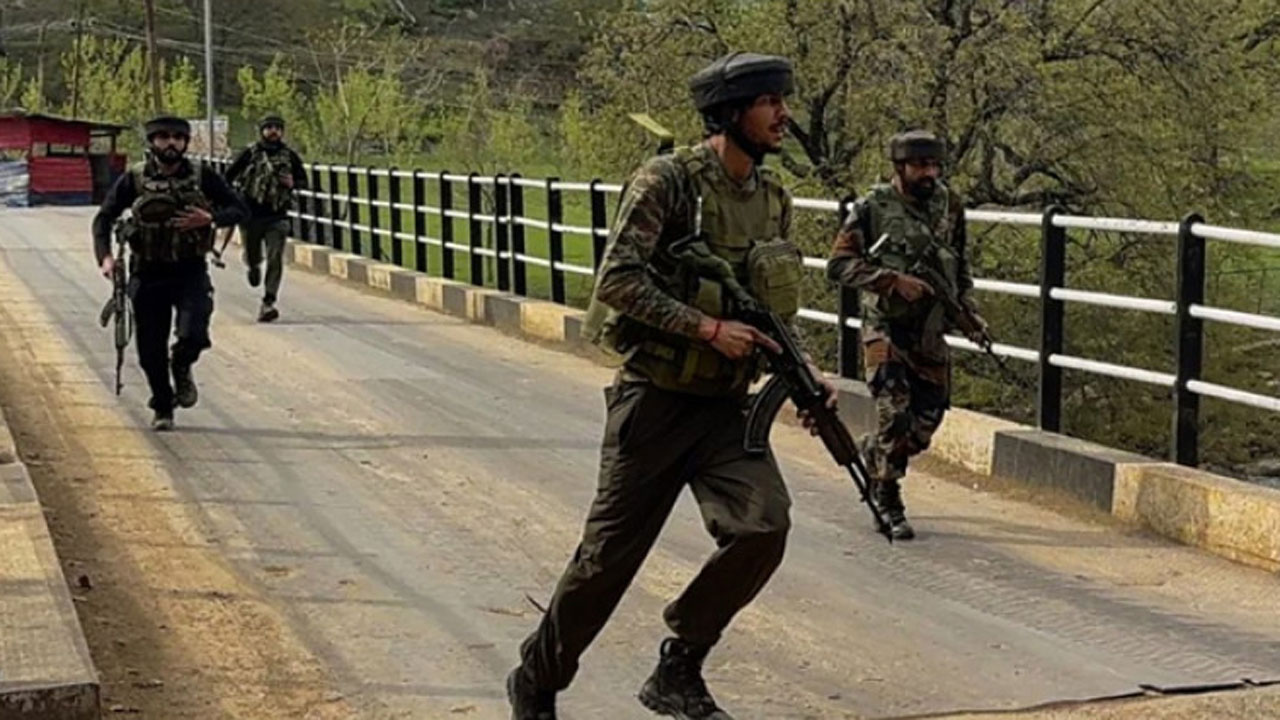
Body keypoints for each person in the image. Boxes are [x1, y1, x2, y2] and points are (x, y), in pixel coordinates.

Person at [508, 52, 832, 720]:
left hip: (726, 413)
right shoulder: (667, 183)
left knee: (763, 528)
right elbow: (617, 282)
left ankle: (678, 666)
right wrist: (706, 329)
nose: (783, 115)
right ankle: (537, 680)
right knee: (604, 566)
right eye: (771, 102)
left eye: (783, 100)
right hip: (653, 403)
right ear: (732, 111)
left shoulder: (773, 199)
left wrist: (806, 370)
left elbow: (770, 310)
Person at [826, 130, 988, 540]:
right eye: (919, 166)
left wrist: (967, 311)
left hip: (930, 332)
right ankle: (888, 496)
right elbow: (840, 265)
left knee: (925, 422)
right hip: (887, 328)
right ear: (899, 167)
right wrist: (891, 280)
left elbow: (961, 264)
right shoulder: (871, 208)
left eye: (933, 166)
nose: (928, 174)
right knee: (895, 416)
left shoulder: (949, 206)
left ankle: (875, 452)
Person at [92, 115, 247, 430]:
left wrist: (210, 218)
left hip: (190, 270)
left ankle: (182, 364)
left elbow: (240, 209)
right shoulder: (134, 178)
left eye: (177, 137)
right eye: (163, 137)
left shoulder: (203, 176)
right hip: (147, 272)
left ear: (186, 142)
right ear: (152, 142)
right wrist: (106, 258)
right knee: (150, 351)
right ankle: (163, 406)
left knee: (194, 334)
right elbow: (104, 218)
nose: (171, 143)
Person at [223, 114, 308, 322]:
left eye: (277, 128)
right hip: (250, 216)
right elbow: (228, 176)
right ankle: (253, 267)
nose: (273, 131)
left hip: (277, 216)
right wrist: (231, 201)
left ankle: (268, 301)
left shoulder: (289, 156)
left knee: (275, 257)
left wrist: (292, 183)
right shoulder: (250, 154)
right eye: (269, 127)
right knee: (253, 256)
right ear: (261, 131)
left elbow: (303, 181)